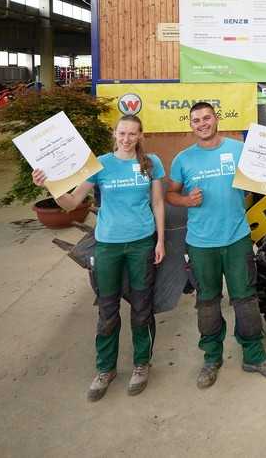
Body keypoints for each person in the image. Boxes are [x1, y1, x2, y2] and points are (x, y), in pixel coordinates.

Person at [33, 114, 166, 401]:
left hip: (142, 243)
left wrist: (161, 241)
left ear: (141, 135)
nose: (127, 138)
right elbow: (71, 203)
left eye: (132, 134)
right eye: (122, 133)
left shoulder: (151, 163)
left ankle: (142, 364)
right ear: (114, 134)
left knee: (142, 306)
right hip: (108, 246)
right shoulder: (100, 164)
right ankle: (106, 369)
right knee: (107, 308)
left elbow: (157, 203)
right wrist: (50, 185)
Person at [166, 102, 266, 388]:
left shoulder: (237, 149)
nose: (202, 123)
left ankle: (254, 356)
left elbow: (261, 179)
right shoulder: (183, 159)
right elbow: (171, 195)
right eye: (196, 120)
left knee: (245, 300)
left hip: (236, 238)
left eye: (206, 118)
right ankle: (211, 358)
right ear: (191, 125)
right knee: (207, 302)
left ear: (216, 119)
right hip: (200, 244)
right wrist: (186, 200)